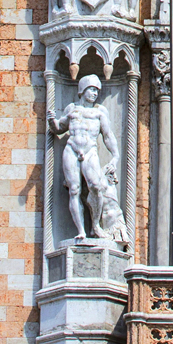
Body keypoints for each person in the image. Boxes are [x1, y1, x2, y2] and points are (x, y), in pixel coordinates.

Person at [49, 75, 127, 250]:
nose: (95, 93)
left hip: (90, 151)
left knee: (97, 187)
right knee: (74, 190)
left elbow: (108, 136)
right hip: (72, 149)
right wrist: (51, 120)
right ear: (82, 90)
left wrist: (115, 157)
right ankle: (81, 230)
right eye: (92, 89)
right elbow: (59, 128)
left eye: (97, 90)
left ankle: (96, 226)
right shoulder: (72, 109)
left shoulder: (100, 112)